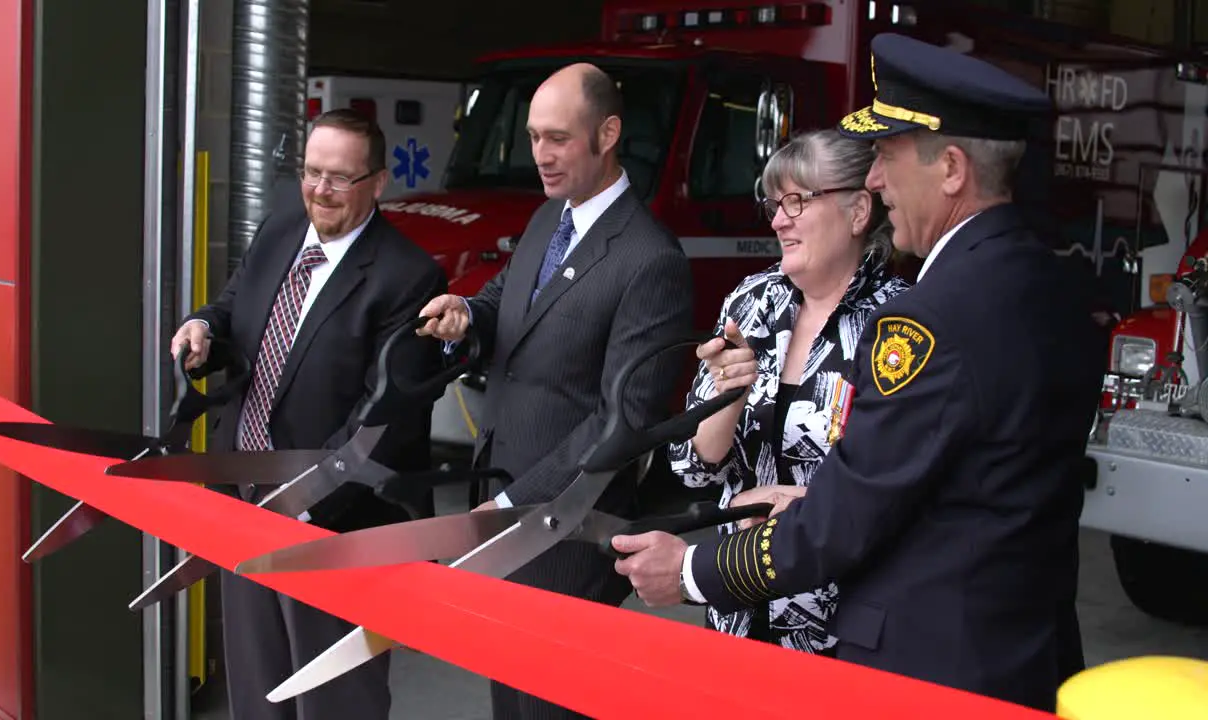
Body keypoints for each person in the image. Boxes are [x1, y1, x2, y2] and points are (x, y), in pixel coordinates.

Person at [612, 33, 1106, 712]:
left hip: (932, 668)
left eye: (887, 157)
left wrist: (691, 571)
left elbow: (851, 520)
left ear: (952, 168)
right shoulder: (1056, 287)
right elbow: (967, 477)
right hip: (1018, 650)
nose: (875, 178)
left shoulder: (926, 318)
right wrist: (817, 500)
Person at [416, 62, 694, 719]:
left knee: (551, 705)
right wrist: (467, 319)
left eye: (558, 139)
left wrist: (513, 501)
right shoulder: (548, 219)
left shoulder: (650, 261)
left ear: (608, 133)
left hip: (565, 532)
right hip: (505, 512)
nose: (539, 155)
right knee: (506, 700)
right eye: (534, 137)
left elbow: (619, 420)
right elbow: (502, 303)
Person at [170, 109, 447, 720]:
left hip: (336, 521)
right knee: (257, 682)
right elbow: (233, 307)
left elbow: (387, 422)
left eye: (339, 178)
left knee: (334, 699)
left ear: (377, 183)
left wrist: (306, 498)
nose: (320, 190)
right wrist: (202, 327)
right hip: (243, 497)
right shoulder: (279, 229)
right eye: (312, 173)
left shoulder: (409, 276)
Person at [668, 128, 911, 654]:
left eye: (797, 201)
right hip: (734, 609)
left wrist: (800, 503)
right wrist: (728, 396)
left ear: (857, 212)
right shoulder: (752, 302)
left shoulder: (900, 323)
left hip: (840, 626)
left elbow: (899, 496)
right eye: (774, 204)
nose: (779, 219)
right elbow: (691, 468)